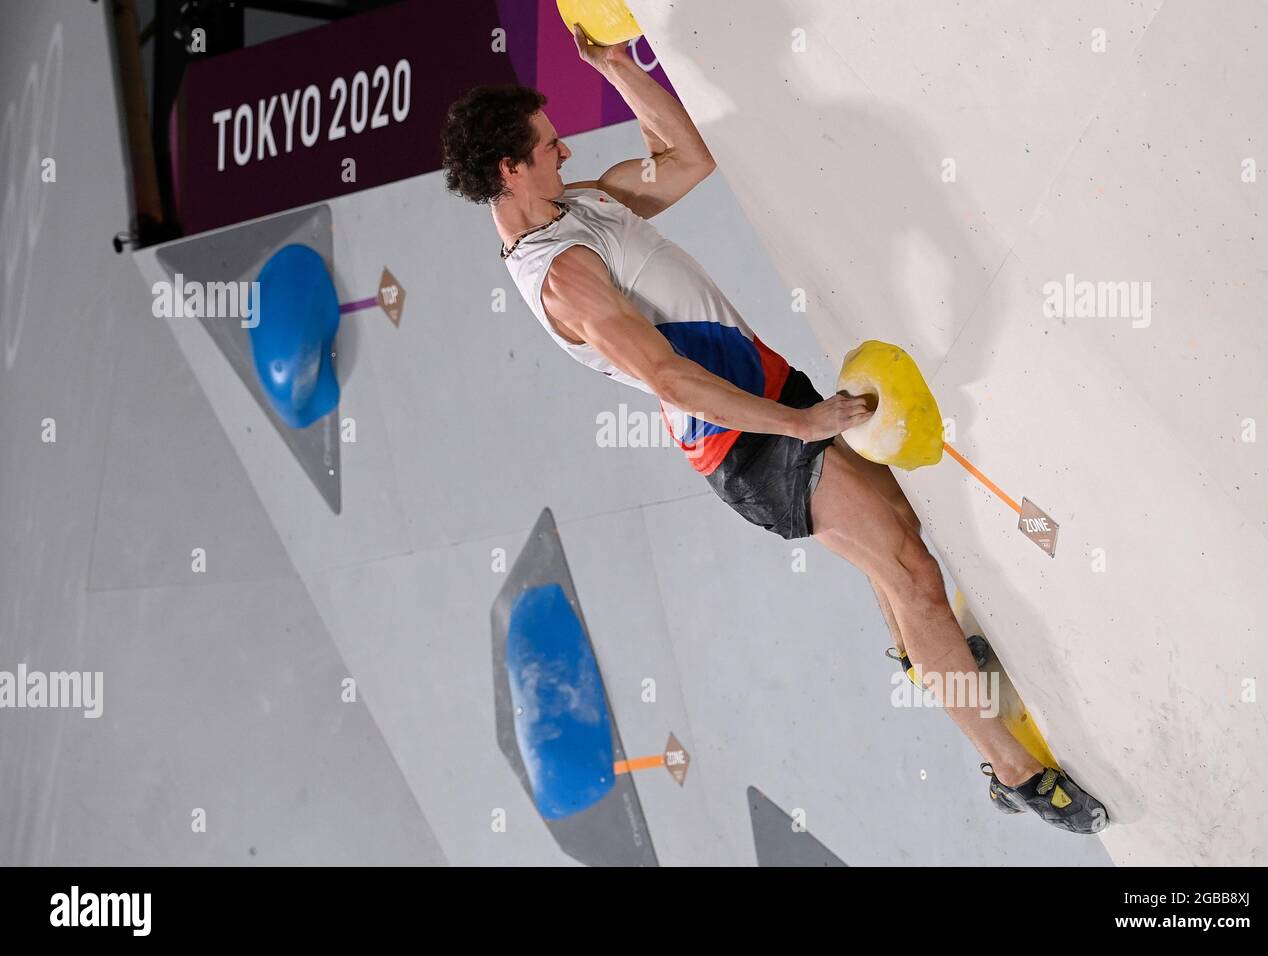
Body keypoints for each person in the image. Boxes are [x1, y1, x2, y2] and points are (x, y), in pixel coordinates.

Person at [441, 26, 1107, 833]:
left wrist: (618, 69)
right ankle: (1016, 774)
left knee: (899, 551)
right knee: (912, 570)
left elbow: (688, 157)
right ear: (510, 170)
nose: (566, 146)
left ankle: (914, 650)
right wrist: (800, 422)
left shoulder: (581, 204)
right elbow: (673, 378)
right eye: (548, 145)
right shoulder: (565, 275)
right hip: (747, 441)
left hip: (765, 399)